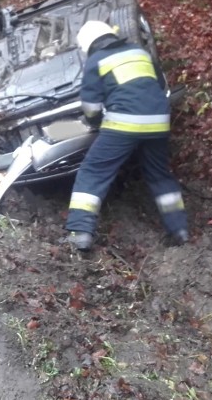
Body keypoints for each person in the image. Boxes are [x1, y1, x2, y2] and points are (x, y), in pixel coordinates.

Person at [65, 20, 189, 251]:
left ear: (89, 45)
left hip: (123, 124)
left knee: (93, 171)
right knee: (160, 175)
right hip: (159, 122)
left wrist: (97, 124)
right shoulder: (139, 52)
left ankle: (79, 232)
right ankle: (180, 230)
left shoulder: (96, 61)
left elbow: (91, 107)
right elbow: (160, 84)